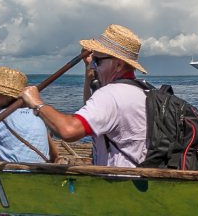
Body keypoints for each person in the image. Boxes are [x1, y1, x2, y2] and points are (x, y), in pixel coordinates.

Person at [21, 24, 149, 168]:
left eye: (98, 61)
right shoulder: (143, 91)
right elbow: (95, 113)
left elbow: (68, 130)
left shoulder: (111, 95)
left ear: (118, 65)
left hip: (118, 184)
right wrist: (89, 70)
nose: (94, 66)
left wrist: (37, 103)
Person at [0, 67, 59, 164]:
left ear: (8, 96)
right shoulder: (38, 114)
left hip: (14, 174)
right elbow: (54, 155)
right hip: (41, 171)